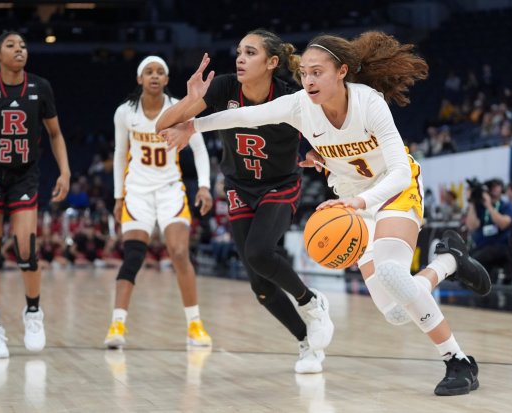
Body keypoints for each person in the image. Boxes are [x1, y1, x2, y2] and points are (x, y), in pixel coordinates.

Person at [160, 31, 492, 395]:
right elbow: (248, 116)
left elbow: (398, 170)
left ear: (342, 72)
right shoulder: (300, 105)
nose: (308, 80)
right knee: (396, 312)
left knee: (394, 272)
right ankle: (449, 262)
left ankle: (457, 360)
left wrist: (363, 202)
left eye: (317, 72)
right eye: (304, 73)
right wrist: (193, 124)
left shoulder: (369, 103)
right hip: (350, 199)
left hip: (392, 191)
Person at [157, 29, 334, 374]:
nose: (240, 58)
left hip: (280, 184)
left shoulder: (291, 95)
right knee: (260, 286)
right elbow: (163, 126)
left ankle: (311, 302)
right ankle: (306, 342)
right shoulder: (223, 87)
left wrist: (317, 152)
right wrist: (189, 99)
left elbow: (325, 130)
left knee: (258, 253)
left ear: (271, 62)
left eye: (250, 53)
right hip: (239, 186)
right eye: (239, 51)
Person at [0, 31, 70, 358]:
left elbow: (56, 134)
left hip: (24, 175)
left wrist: (65, 171)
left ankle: (33, 313)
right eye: (11, 45)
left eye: (22, 45)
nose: (19, 49)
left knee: (27, 248)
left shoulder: (40, 87)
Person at [103, 55, 214, 349]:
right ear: (140, 79)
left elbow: (200, 149)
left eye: (160, 72)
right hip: (137, 190)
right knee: (134, 256)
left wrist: (204, 187)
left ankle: (195, 325)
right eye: (148, 71)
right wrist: (118, 196)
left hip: (169, 189)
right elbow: (118, 156)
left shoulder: (178, 108)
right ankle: (117, 324)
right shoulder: (125, 113)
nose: (154, 75)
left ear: (166, 80)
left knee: (179, 253)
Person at [465, 178, 512, 281]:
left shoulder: (505, 205)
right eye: (491, 186)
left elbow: (503, 224)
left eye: (496, 186)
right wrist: (471, 202)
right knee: (466, 256)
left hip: (500, 246)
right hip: (481, 246)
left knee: (477, 258)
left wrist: (489, 205)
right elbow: (472, 225)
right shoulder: (480, 207)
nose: (494, 189)